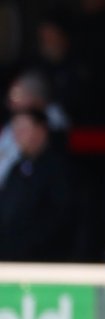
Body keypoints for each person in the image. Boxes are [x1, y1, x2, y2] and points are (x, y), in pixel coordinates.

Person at [0, 109, 74, 261]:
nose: (17, 135)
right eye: (15, 130)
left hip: (42, 260)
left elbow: (57, 218)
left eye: (23, 129)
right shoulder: (17, 167)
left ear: (41, 130)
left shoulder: (59, 169)